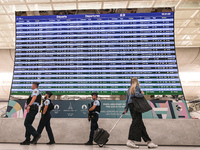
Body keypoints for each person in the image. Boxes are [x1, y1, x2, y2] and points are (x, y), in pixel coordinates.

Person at [123, 77, 158, 149]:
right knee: (136, 122)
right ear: (136, 81)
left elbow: (127, 100)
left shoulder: (129, 89)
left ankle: (149, 142)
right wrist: (142, 94)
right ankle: (130, 140)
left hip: (131, 106)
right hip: (136, 106)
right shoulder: (136, 87)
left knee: (140, 123)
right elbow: (136, 94)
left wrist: (125, 109)